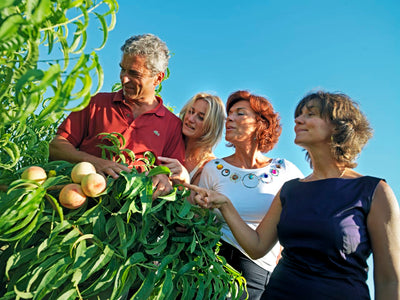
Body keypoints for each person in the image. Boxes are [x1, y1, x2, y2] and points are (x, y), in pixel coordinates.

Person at [189, 91, 400, 300]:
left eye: (311, 114)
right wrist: (225, 204)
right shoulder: (290, 190)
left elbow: (389, 280)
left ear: (339, 125)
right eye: (299, 114)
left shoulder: (373, 191)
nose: (298, 119)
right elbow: (257, 247)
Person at [196, 90, 304, 299]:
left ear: (260, 123)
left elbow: (302, 223)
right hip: (213, 272)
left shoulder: (285, 170)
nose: (230, 118)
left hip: (261, 275)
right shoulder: (213, 168)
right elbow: (201, 223)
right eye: (230, 114)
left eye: (240, 113)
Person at [49, 33, 185, 199]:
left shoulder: (172, 125)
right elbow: (56, 146)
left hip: (130, 219)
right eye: (122, 69)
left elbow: (173, 179)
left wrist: (164, 180)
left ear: (157, 78)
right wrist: (94, 162)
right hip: (81, 204)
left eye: (134, 74)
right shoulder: (95, 104)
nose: (124, 78)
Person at [158, 92, 225, 186]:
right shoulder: (168, 140)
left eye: (201, 117)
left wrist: (184, 184)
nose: (190, 119)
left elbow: (193, 200)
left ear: (211, 127)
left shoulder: (208, 167)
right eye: (191, 111)